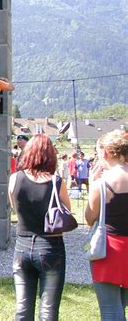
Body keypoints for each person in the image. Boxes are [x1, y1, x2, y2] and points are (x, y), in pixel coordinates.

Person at [8, 134, 72, 320]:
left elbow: (14, 207)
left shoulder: (15, 179)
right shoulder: (57, 182)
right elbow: (66, 210)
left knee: (22, 309)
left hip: (22, 246)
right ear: (50, 155)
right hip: (51, 247)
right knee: (48, 311)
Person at [85, 129, 128, 320]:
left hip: (110, 250)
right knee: (122, 306)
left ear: (105, 153)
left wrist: (91, 183)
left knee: (111, 310)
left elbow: (89, 218)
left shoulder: (101, 184)